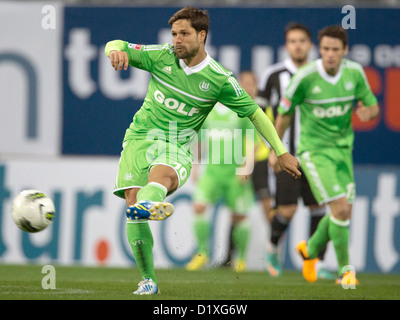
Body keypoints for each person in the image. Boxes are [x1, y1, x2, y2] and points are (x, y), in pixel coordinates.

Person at [105, 7, 301, 295]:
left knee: (160, 177)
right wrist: (114, 52)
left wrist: (281, 151)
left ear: (202, 35)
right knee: (133, 207)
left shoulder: (220, 79)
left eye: (184, 34)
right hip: (139, 137)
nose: (177, 40)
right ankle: (148, 279)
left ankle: (152, 201)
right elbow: (118, 44)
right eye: (174, 34)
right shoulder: (161, 56)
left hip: (176, 143)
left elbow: (255, 114)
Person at [273, 25, 379, 285]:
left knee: (340, 214)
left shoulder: (354, 73)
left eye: (335, 49)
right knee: (341, 210)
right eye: (325, 49)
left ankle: (308, 250)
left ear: (345, 50)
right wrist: (278, 150)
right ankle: (347, 273)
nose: (330, 54)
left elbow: (372, 105)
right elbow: (284, 113)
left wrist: (370, 112)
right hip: (313, 151)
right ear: (319, 50)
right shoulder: (305, 77)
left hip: (343, 151)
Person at [259, 23, 332, 278]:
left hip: (317, 154)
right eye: (292, 41)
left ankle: (315, 263)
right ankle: (273, 246)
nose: (298, 45)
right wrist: (272, 149)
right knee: (287, 210)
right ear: (287, 45)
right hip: (286, 153)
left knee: (320, 209)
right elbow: (260, 114)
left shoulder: (322, 73)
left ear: (310, 45)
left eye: (302, 40)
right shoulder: (273, 75)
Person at [186, 93, 255, 273]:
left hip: (234, 172)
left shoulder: (240, 110)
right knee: (199, 207)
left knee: (239, 215)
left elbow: (251, 140)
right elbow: (198, 141)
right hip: (212, 171)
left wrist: (247, 166)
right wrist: (195, 165)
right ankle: (202, 253)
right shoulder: (207, 112)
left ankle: (241, 259)